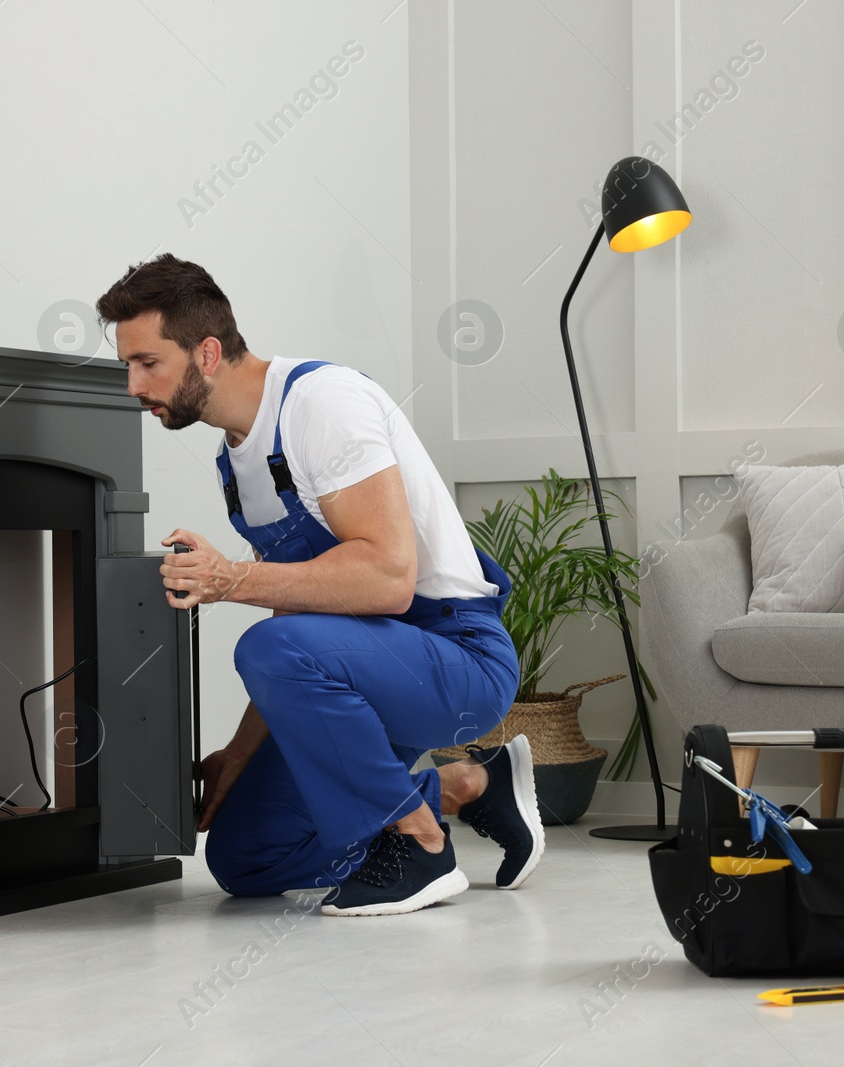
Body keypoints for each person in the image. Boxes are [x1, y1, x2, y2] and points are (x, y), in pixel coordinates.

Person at [95, 255, 541, 917]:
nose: (133, 384)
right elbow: (301, 609)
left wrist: (229, 578)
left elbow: (389, 580)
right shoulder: (235, 460)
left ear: (207, 352)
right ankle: (466, 785)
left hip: (455, 657)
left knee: (266, 645)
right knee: (247, 856)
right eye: (126, 364)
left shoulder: (320, 403)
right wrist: (239, 755)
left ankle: (421, 847)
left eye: (147, 362)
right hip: (364, 674)